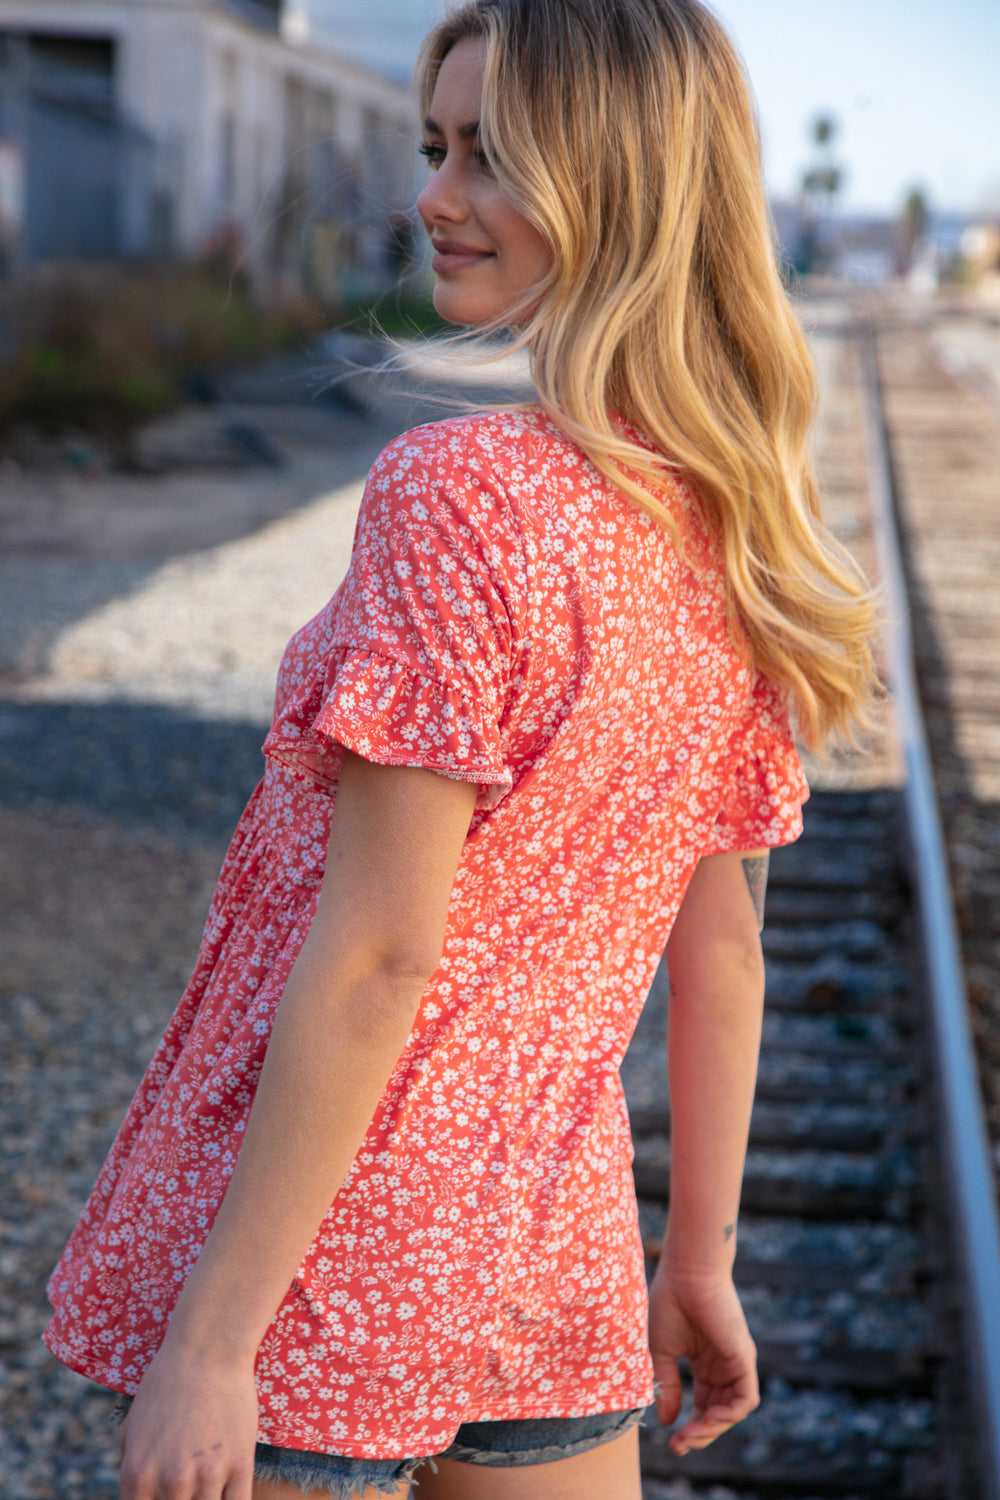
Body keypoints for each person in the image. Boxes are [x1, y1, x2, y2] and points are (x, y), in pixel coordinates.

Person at [43, 2, 878, 1497]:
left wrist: (215, 1347)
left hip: (327, 1247)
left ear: (621, 178)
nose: (435, 194)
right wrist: (696, 1263)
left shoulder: (461, 495)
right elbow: (725, 956)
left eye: (496, 156)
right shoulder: (735, 535)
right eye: (438, 146)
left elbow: (377, 962)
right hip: (542, 1244)